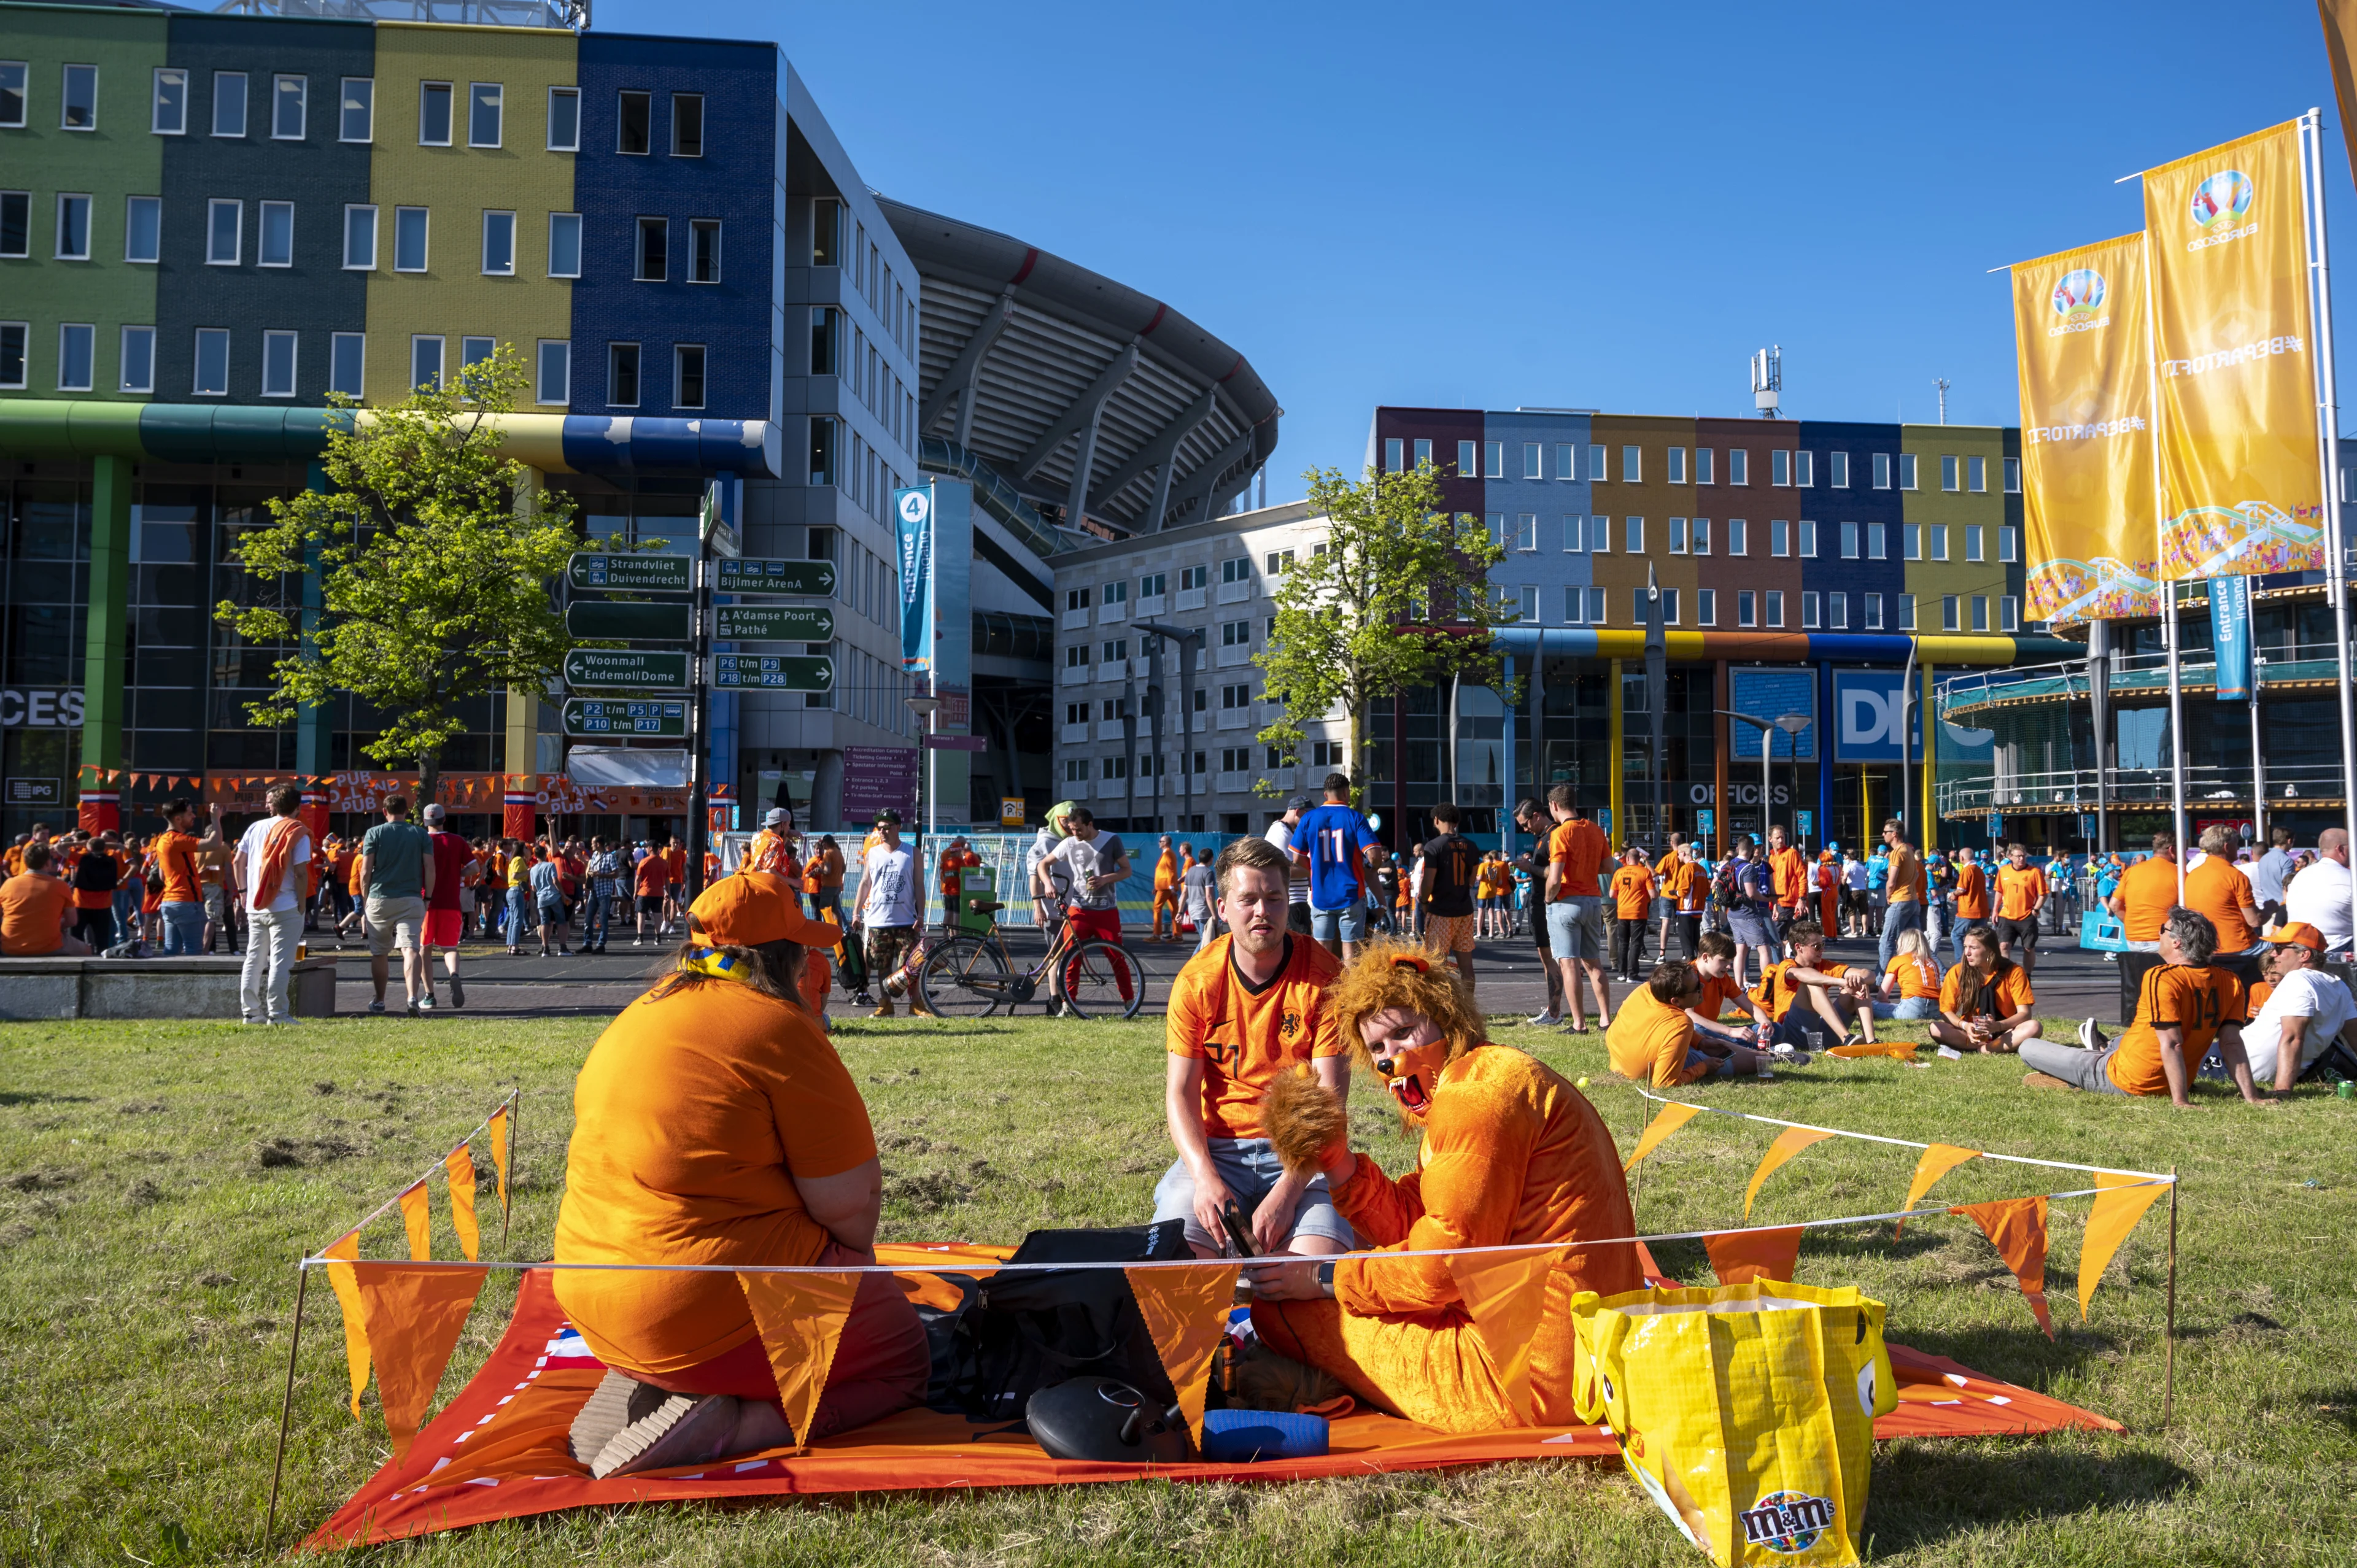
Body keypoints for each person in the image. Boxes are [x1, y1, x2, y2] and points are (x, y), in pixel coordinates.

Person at [555, 870, 928, 1478]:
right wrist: (854, 1282)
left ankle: (650, 1373)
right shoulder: (777, 1027)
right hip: (694, 1307)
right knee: (902, 1356)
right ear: (786, 958)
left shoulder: (638, 1014)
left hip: (589, 1296)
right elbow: (848, 1206)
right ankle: (737, 1423)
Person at [1244, 940, 1644, 1432]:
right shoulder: (1475, 1079)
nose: (1392, 1059)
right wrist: (1336, 1160)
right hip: (1582, 1347)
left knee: (1281, 1312)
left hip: (1532, 1376)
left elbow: (1443, 1265)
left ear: (1444, 1016)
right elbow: (1421, 1218)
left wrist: (1325, 1277)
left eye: (1404, 1032)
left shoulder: (1475, 1096)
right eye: (1377, 1048)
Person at [1153, 836, 1354, 1259]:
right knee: (1179, 1267)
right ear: (1223, 908)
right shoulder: (1196, 982)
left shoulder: (1327, 977)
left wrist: (1287, 1192)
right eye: (1248, 900)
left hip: (1305, 1153)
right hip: (1219, 1151)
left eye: (1274, 898)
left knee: (1305, 1273)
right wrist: (1205, 1178)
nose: (1262, 910)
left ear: (1287, 903)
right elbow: (1181, 1092)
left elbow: (1329, 1103)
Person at [2029, 908, 2272, 1107]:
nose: (2159, 935)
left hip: (2131, 1080)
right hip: (2176, 1078)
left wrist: (2180, 1102)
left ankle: (2089, 1065)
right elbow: (2231, 1043)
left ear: (2177, 942)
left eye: (2162, 930)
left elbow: (2172, 1043)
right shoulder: (2230, 980)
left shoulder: (2162, 976)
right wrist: (2252, 1097)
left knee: (2029, 1047)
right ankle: (2103, 1049)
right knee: (2122, 1040)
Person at [1609, 959, 1771, 1084]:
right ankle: (1769, 1056)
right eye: (1697, 988)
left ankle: (1768, 1055)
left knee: (1713, 1042)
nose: (1703, 987)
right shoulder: (1680, 1023)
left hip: (1620, 1062)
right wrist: (1704, 1068)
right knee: (1758, 1062)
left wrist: (1701, 1042)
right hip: (1647, 1064)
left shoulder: (1645, 990)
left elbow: (1662, 1029)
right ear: (1676, 1001)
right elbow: (1664, 1083)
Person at [2239, 922, 2356, 1093]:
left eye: (2280, 949)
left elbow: (2293, 1038)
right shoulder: (2340, 986)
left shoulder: (2298, 979)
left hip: (2240, 1065)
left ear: (2304, 955)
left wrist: (2282, 1090)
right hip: (2283, 1070)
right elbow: (2355, 1037)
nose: (2273, 954)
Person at [232, 785, 312, 1024]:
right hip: (286, 904)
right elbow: (301, 873)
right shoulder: (297, 831)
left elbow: (238, 862)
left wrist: (243, 892)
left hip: (256, 904)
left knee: (254, 959)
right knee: (280, 962)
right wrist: (302, 904)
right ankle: (278, 1014)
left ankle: (251, 1012)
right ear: (297, 808)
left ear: (273, 805)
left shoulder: (255, 827)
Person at [1042, 806, 1132, 1014]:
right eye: (1071, 829)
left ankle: (1130, 1003)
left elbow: (1127, 870)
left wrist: (1105, 879)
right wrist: (1048, 883)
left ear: (1090, 825)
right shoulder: (1069, 843)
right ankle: (1068, 1005)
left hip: (1106, 910)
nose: (1075, 833)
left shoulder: (1111, 840)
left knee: (1117, 958)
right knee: (1071, 959)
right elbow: (1043, 865)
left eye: (1078, 829)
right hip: (1079, 910)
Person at [1544, 785, 1612, 1032]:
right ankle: (1605, 1019)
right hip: (1592, 901)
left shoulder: (1560, 833)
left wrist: (1548, 898)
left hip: (1567, 902)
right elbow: (1609, 867)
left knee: (1569, 964)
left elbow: (1555, 878)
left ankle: (1579, 1023)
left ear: (1554, 805)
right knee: (1594, 963)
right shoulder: (1595, 830)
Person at [358, 796, 434, 1016]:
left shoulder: (374, 833)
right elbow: (430, 868)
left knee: (379, 952)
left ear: (384, 811)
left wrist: (365, 898)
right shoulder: (420, 834)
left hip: (379, 897)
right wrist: (428, 897)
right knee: (411, 948)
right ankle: (412, 997)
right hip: (411, 898)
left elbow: (366, 870)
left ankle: (380, 1000)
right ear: (407, 811)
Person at [1290, 776, 1380, 961]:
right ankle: (1350, 982)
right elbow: (1374, 856)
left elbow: (1297, 858)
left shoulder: (1308, 819)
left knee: (1322, 954)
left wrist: (1314, 869)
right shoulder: (1355, 818)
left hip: (1321, 896)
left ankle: (1324, 981)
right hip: (1351, 895)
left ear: (1325, 794)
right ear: (1346, 792)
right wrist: (1372, 868)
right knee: (1352, 956)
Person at [1750, 920, 1871, 1052]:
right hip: (1791, 1036)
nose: (1822, 950)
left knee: (1859, 985)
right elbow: (1802, 975)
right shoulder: (1786, 965)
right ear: (1799, 947)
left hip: (1818, 1035)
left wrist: (1859, 980)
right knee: (1811, 983)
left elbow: (1869, 974)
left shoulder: (1823, 965)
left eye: (1823, 945)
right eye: (1817, 946)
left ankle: (1871, 1042)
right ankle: (1846, 1037)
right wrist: (1842, 982)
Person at [859, 809, 932, 1019]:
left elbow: (919, 885)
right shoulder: (873, 853)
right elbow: (865, 883)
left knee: (911, 965)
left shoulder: (912, 853)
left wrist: (921, 915)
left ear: (898, 828)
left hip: (906, 921)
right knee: (882, 966)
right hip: (878, 920)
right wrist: (856, 913)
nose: (882, 832)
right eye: (879, 828)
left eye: (887, 827)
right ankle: (886, 1004)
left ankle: (915, 1004)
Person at [1930, 924, 2040, 1054]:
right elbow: (1946, 1011)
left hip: (2006, 1031)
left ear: (1990, 950)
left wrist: (1997, 1026)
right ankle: (1990, 1047)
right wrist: (1965, 1025)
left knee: (2034, 1027)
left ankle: (1986, 1049)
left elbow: (2025, 1014)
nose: (1967, 953)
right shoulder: (1957, 972)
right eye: (1965, 947)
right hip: (1971, 1032)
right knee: (1935, 1028)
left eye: (1973, 948)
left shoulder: (2014, 971)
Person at [1509, 798, 1569, 1026]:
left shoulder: (1553, 836)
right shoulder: (1545, 837)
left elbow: (1557, 873)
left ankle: (1554, 1012)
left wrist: (1530, 868)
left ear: (1536, 816)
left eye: (1526, 824)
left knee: (1551, 960)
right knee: (1552, 960)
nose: (1525, 829)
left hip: (1547, 904)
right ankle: (1554, 1011)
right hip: (1542, 903)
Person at [1414, 801, 1483, 992]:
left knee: (1436, 964)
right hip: (1465, 910)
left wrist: (1423, 901)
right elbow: (1472, 880)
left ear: (1437, 820)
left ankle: (1440, 1005)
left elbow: (1428, 881)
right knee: (1466, 966)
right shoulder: (1471, 846)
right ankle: (1468, 1004)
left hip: (1441, 911)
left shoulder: (1434, 846)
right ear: (1457, 821)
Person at [2180, 825, 2264, 975]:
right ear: (2227, 847)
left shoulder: (2192, 875)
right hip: (2239, 949)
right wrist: (2271, 909)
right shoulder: (2235, 876)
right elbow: (2254, 921)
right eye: (2236, 844)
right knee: (2282, 952)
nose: (2239, 848)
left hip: (2206, 948)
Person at [411, 804, 471, 1009]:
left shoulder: (420, 840)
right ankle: (454, 974)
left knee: (424, 948)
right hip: (451, 902)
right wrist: (458, 874)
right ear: (444, 819)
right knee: (450, 948)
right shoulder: (457, 841)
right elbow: (474, 867)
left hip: (425, 902)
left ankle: (430, 996)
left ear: (425, 821)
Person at [150, 800, 214, 957]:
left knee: (171, 951)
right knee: (194, 952)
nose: (194, 816)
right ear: (178, 819)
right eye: (190, 813)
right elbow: (214, 843)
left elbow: (162, 875)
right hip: (187, 901)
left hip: (170, 902)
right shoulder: (177, 839)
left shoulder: (162, 840)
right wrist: (216, 819)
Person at [0, 842, 84, 956]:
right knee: (87, 950)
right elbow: (72, 921)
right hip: (49, 947)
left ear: (25, 862)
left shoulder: (8, 884)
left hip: (10, 947)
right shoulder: (60, 885)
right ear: (48, 863)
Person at [1719, 835, 1778, 991]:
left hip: (1733, 913)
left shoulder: (1728, 864)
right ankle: (1768, 988)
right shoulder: (1748, 868)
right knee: (1764, 949)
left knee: (1741, 951)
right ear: (1752, 850)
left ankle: (1739, 986)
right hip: (1748, 914)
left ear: (1738, 848)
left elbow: (1715, 884)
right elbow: (1751, 893)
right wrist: (1766, 898)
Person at [2283, 827, 2353, 952]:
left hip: (2300, 947)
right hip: (2337, 949)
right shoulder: (2350, 879)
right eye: (2353, 847)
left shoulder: (2300, 876)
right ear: (2340, 849)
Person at [2107, 833, 2181, 949]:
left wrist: (2133, 925)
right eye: (2183, 849)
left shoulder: (2131, 872)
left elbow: (2114, 905)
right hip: (2163, 940)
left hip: (2133, 940)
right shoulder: (2180, 874)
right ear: (2172, 850)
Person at [1992, 841, 2050, 979]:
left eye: (2023, 856)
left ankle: (2027, 976)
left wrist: (2036, 910)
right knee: (2004, 946)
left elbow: (2043, 894)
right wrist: (1995, 910)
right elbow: (1999, 891)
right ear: (2010, 857)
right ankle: (2005, 976)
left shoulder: (2034, 872)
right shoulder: (2004, 871)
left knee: (2028, 948)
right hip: (2007, 915)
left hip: (2026, 916)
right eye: (2018, 856)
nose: (2021, 859)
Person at [1877, 818, 1925, 969]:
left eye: (1885, 832)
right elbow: (1916, 875)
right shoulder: (1908, 850)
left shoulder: (1897, 853)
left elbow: (1891, 881)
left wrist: (1888, 895)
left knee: (1887, 941)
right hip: (1913, 900)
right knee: (1917, 943)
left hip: (1900, 900)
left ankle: (1881, 979)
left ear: (1894, 834)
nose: (1883, 834)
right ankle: (1932, 973)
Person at [1264, 795, 1314, 936]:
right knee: (1299, 945)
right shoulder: (1279, 832)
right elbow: (1283, 869)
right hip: (1293, 904)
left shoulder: (1286, 831)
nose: (1309, 820)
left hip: (1296, 903)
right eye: (1307, 815)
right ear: (1298, 812)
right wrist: (1315, 871)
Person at [1607, 846, 1656, 983]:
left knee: (1623, 943)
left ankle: (1622, 973)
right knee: (1635, 943)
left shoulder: (1619, 873)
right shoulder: (1645, 872)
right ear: (1638, 859)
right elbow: (1653, 894)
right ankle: (1632, 974)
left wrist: (1623, 897)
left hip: (1622, 912)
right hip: (1638, 912)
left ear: (1627, 859)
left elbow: (1612, 894)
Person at [1875, 927, 1944, 1021]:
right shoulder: (1932, 963)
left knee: (1870, 1004)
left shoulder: (1898, 960)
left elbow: (1882, 996)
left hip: (1912, 1007)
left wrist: (1882, 1001)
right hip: (1936, 1009)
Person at [68, 832, 121, 951]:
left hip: (81, 903)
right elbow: (121, 847)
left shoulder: (81, 859)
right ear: (104, 847)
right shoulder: (113, 859)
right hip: (103, 905)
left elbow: (59, 847)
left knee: (76, 936)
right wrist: (104, 845)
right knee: (102, 939)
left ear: (89, 847)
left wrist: (80, 843)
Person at [1660, 840, 1706, 961]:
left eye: (1679, 854)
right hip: (1699, 909)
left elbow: (1683, 891)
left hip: (1687, 910)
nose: (1678, 856)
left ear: (1684, 853)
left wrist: (1675, 892)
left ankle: (1690, 966)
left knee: (1687, 944)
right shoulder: (1701, 869)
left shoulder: (1686, 869)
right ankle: (1702, 965)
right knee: (1696, 941)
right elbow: (1706, 890)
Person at [1765, 825, 1806, 951]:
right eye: (1777, 838)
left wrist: (1802, 899)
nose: (1780, 840)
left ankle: (1785, 960)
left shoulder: (1792, 853)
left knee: (1778, 939)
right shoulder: (1772, 857)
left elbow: (1802, 876)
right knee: (1782, 939)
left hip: (1787, 903)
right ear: (1770, 839)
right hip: (1776, 904)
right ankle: (1787, 959)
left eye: (1782, 837)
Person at [1950, 846, 1991, 967]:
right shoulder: (1979, 870)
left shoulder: (1967, 870)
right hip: (1981, 909)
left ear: (1962, 858)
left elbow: (1961, 889)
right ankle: (1980, 962)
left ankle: (1962, 963)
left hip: (1968, 910)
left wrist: (1953, 894)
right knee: (1979, 938)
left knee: (1957, 935)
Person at [2252, 825, 2297, 929]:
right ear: (2289, 841)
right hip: (2282, 910)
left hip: (2267, 908)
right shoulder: (2286, 861)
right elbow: (2287, 886)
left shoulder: (2263, 859)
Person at [1181, 843, 1218, 953]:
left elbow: (1184, 893)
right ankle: (1193, 961)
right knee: (1205, 940)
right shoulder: (1208, 873)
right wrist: (1214, 914)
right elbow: (1209, 896)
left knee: (1204, 939)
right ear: (1211, 859)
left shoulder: (1191, 871)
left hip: (1193, 910)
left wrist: (1180, 912)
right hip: (1203, 911)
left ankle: (1196, 961)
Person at [633, 842, 671, 946]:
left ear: (650, 848)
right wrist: (668, 892)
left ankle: (640, 938)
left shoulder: (644, 861)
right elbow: (667, 880)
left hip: (645, 892)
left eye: (646, 848)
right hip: (659, 892)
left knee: (641, 914)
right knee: (657, 915)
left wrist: (636, 892)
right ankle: (658, 938)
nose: (646, 850)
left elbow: (638, 879)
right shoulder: (664, 863)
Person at [745, 806, 799, 877]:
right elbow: (771, 873)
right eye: (788, 824)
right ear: (783, 824)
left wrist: (786, 835)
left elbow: (772, 852)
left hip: (753, 876)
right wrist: (793, 882)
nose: (789, 828)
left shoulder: (756, 837)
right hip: (765, 881)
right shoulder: (776, 842)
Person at [1150, 835, 1181, 941]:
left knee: (1157, 908)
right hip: (1166, 887)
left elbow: (1170, 870)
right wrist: (1157, 887)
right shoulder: (1167, 853)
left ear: (1166, 843)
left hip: (1166, 888)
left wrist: (1171, 886)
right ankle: (1177, 935)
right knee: (1175, 911)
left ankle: (1157, 935)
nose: (1159, 843)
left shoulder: (1168, 854)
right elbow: (1165, 871)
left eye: (1161, 841)